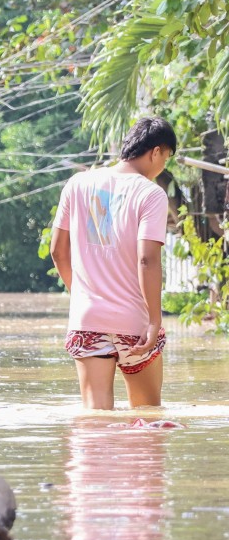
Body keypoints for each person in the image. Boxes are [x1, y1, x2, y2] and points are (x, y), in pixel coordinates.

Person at [49, 116, 175, 410]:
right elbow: (147, 259)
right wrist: (154, 321)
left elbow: (57, 251)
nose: (162, 167)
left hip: (88, 319)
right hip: (134, 321)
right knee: (146, 420)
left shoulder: (78, 184)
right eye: (166, 158)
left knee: (95, 420)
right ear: (155, 151)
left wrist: (82, 296)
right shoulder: (151, 194)